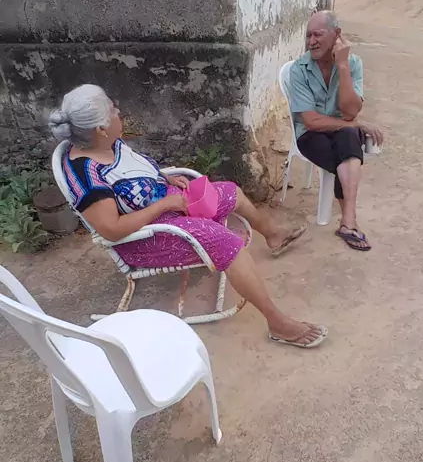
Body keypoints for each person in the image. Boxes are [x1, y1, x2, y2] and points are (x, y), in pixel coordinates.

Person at [49, 84, 327, 348]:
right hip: (144, 237)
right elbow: (112, 229)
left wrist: (165, 177)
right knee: (227, 242)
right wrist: (164, 204)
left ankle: (273, 235)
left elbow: (134, 172)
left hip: (166, 205)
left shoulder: (107, 144)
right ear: (100, 129)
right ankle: (277, 323)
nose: (118, 111)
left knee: (230, 191)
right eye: (112, 110)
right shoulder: (87, 177)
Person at [289, 11, 384, 251]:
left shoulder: (353, 64)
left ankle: (347, 220)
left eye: (318, 35)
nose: (311, 42)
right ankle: (350, 221)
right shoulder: (299, 69)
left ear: (337, 35)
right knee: (347, 149)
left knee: (348, 139)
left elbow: (350, 112)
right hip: (309, 135)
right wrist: (356, 125)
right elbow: (311, 121)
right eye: (308, 36)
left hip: (341, 131)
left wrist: (342, 66)